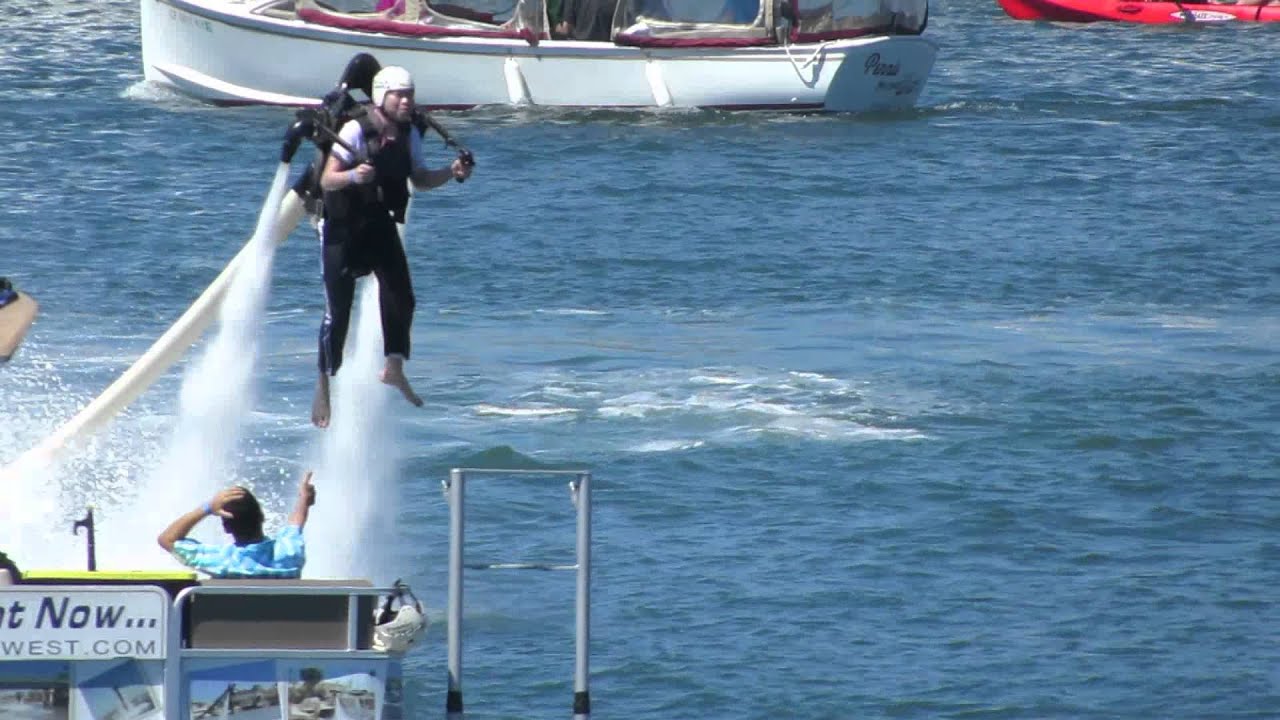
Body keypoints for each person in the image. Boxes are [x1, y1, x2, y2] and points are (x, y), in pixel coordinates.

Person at [313, 65, 473, 429]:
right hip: (341, 226)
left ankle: (393, 367)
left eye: (410, 94)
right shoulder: (356, 130)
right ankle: (323, 381)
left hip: (377, 220)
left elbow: (419, 178)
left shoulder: (408, 133)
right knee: (338, 313)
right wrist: (354, 174)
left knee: (402, 295)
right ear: (381, 96)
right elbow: (327, 179)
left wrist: (451, 172)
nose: (406, 101)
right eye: (399, 94)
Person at [156, 471, 316, 578]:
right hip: (286, 630)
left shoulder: (222, 562)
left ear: (226, 527)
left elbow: (167, 540)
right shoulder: (288, 556)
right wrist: (304, 500)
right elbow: (294, 526)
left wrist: (208, 508)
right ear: (262, 516)